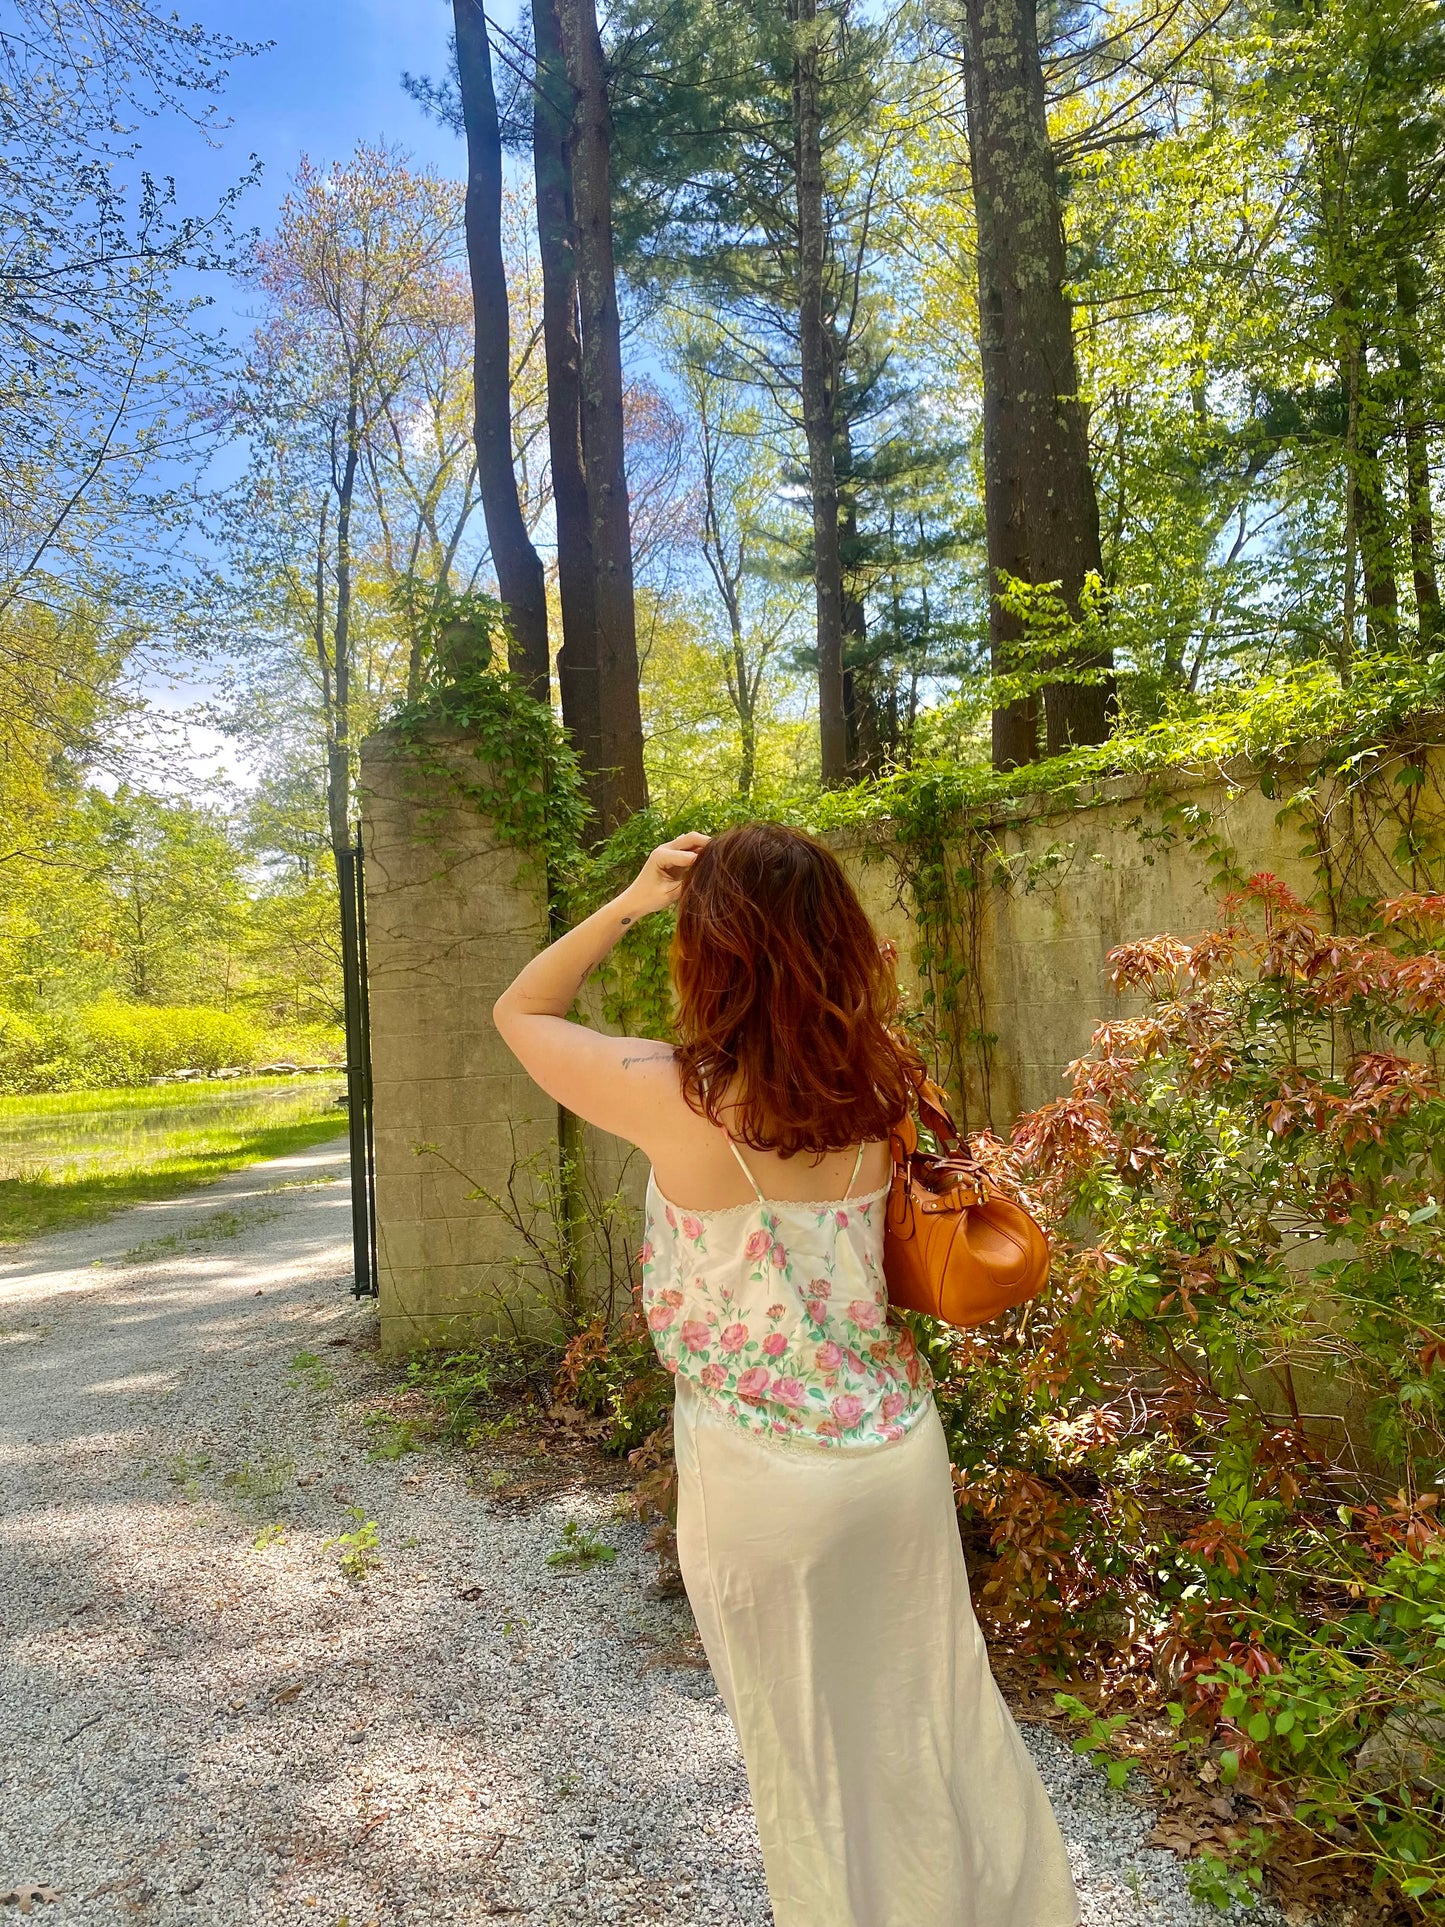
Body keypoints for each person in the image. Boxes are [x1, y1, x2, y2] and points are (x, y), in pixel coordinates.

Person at [493, 821, 1080, 1927]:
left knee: (810, 1762)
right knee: (937, 1720)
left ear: (708, 948)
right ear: (837, 938)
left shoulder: (672, 1093)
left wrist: (630, 899)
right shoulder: (880, 1083)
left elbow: (521, 1010)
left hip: (759, 1476)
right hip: (896, 1453)